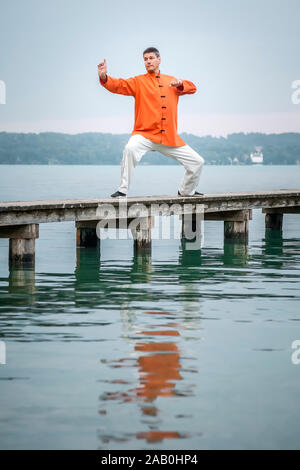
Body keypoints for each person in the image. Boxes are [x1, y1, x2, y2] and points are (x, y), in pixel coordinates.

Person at [97, 47, 205, 197]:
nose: (148, 61)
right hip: (144, 135)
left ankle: (186, 191)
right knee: (130, 149)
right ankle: (122, 190)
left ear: (159, 60)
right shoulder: (138, 81)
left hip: (169, 138)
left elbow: (192, 88)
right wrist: (104, 77)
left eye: (151, 58)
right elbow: (118, 85)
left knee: (197, 162)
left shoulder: (171, 81)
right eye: (145, 59)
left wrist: (180, 84)